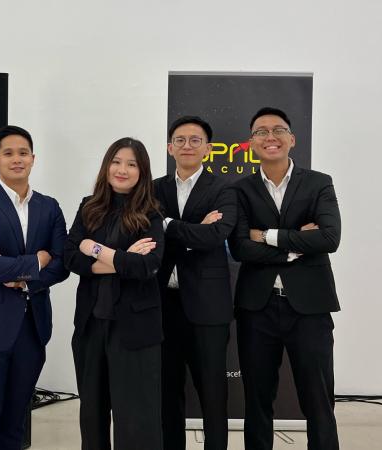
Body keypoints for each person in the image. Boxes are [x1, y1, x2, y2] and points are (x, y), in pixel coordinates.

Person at [229, 107, 341, 450]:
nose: (270, 137)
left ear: (292, 139)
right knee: (257, 399)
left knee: (318, 399)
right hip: (257, 308)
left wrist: (267, 236)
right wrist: (294, 246)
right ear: (252, 143)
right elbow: (240, 247)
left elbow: (329, 238)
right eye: (261, 132)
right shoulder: (240, 189)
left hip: (310, 307)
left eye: (278, 130)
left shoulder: (319, 182)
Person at [0, 125, 69, 449]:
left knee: (15, 426)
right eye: (8, 153)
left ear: (33, 159)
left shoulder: (49, 207)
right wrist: (37, 261)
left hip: (31, 328)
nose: (16, 159)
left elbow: (62, 263)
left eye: (23, 153)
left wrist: (20, 275)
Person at [64, 137, 165, 450]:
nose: (122, 169)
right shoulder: (89, 207)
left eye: (131, 164)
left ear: (142, 172)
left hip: (135, 330)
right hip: (91, 325)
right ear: (107, 166)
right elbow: (70, 257)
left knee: (136, 418)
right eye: (116, 162)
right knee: (92, 414)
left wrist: (94, 248)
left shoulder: (151, 213)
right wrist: (123, 258)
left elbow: (147, 265)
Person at [153, 116, 236, 450]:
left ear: (208, 148)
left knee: (213, 392)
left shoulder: (225, 189)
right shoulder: (153, 189)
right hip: (162, 304)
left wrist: (168, 225)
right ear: (170, 147)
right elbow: (148, 236)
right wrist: (195, 230)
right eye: (180, 140)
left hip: (208, 306)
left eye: (195, 140)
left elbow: (216, 235)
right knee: (167, 391)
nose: (187, 146)